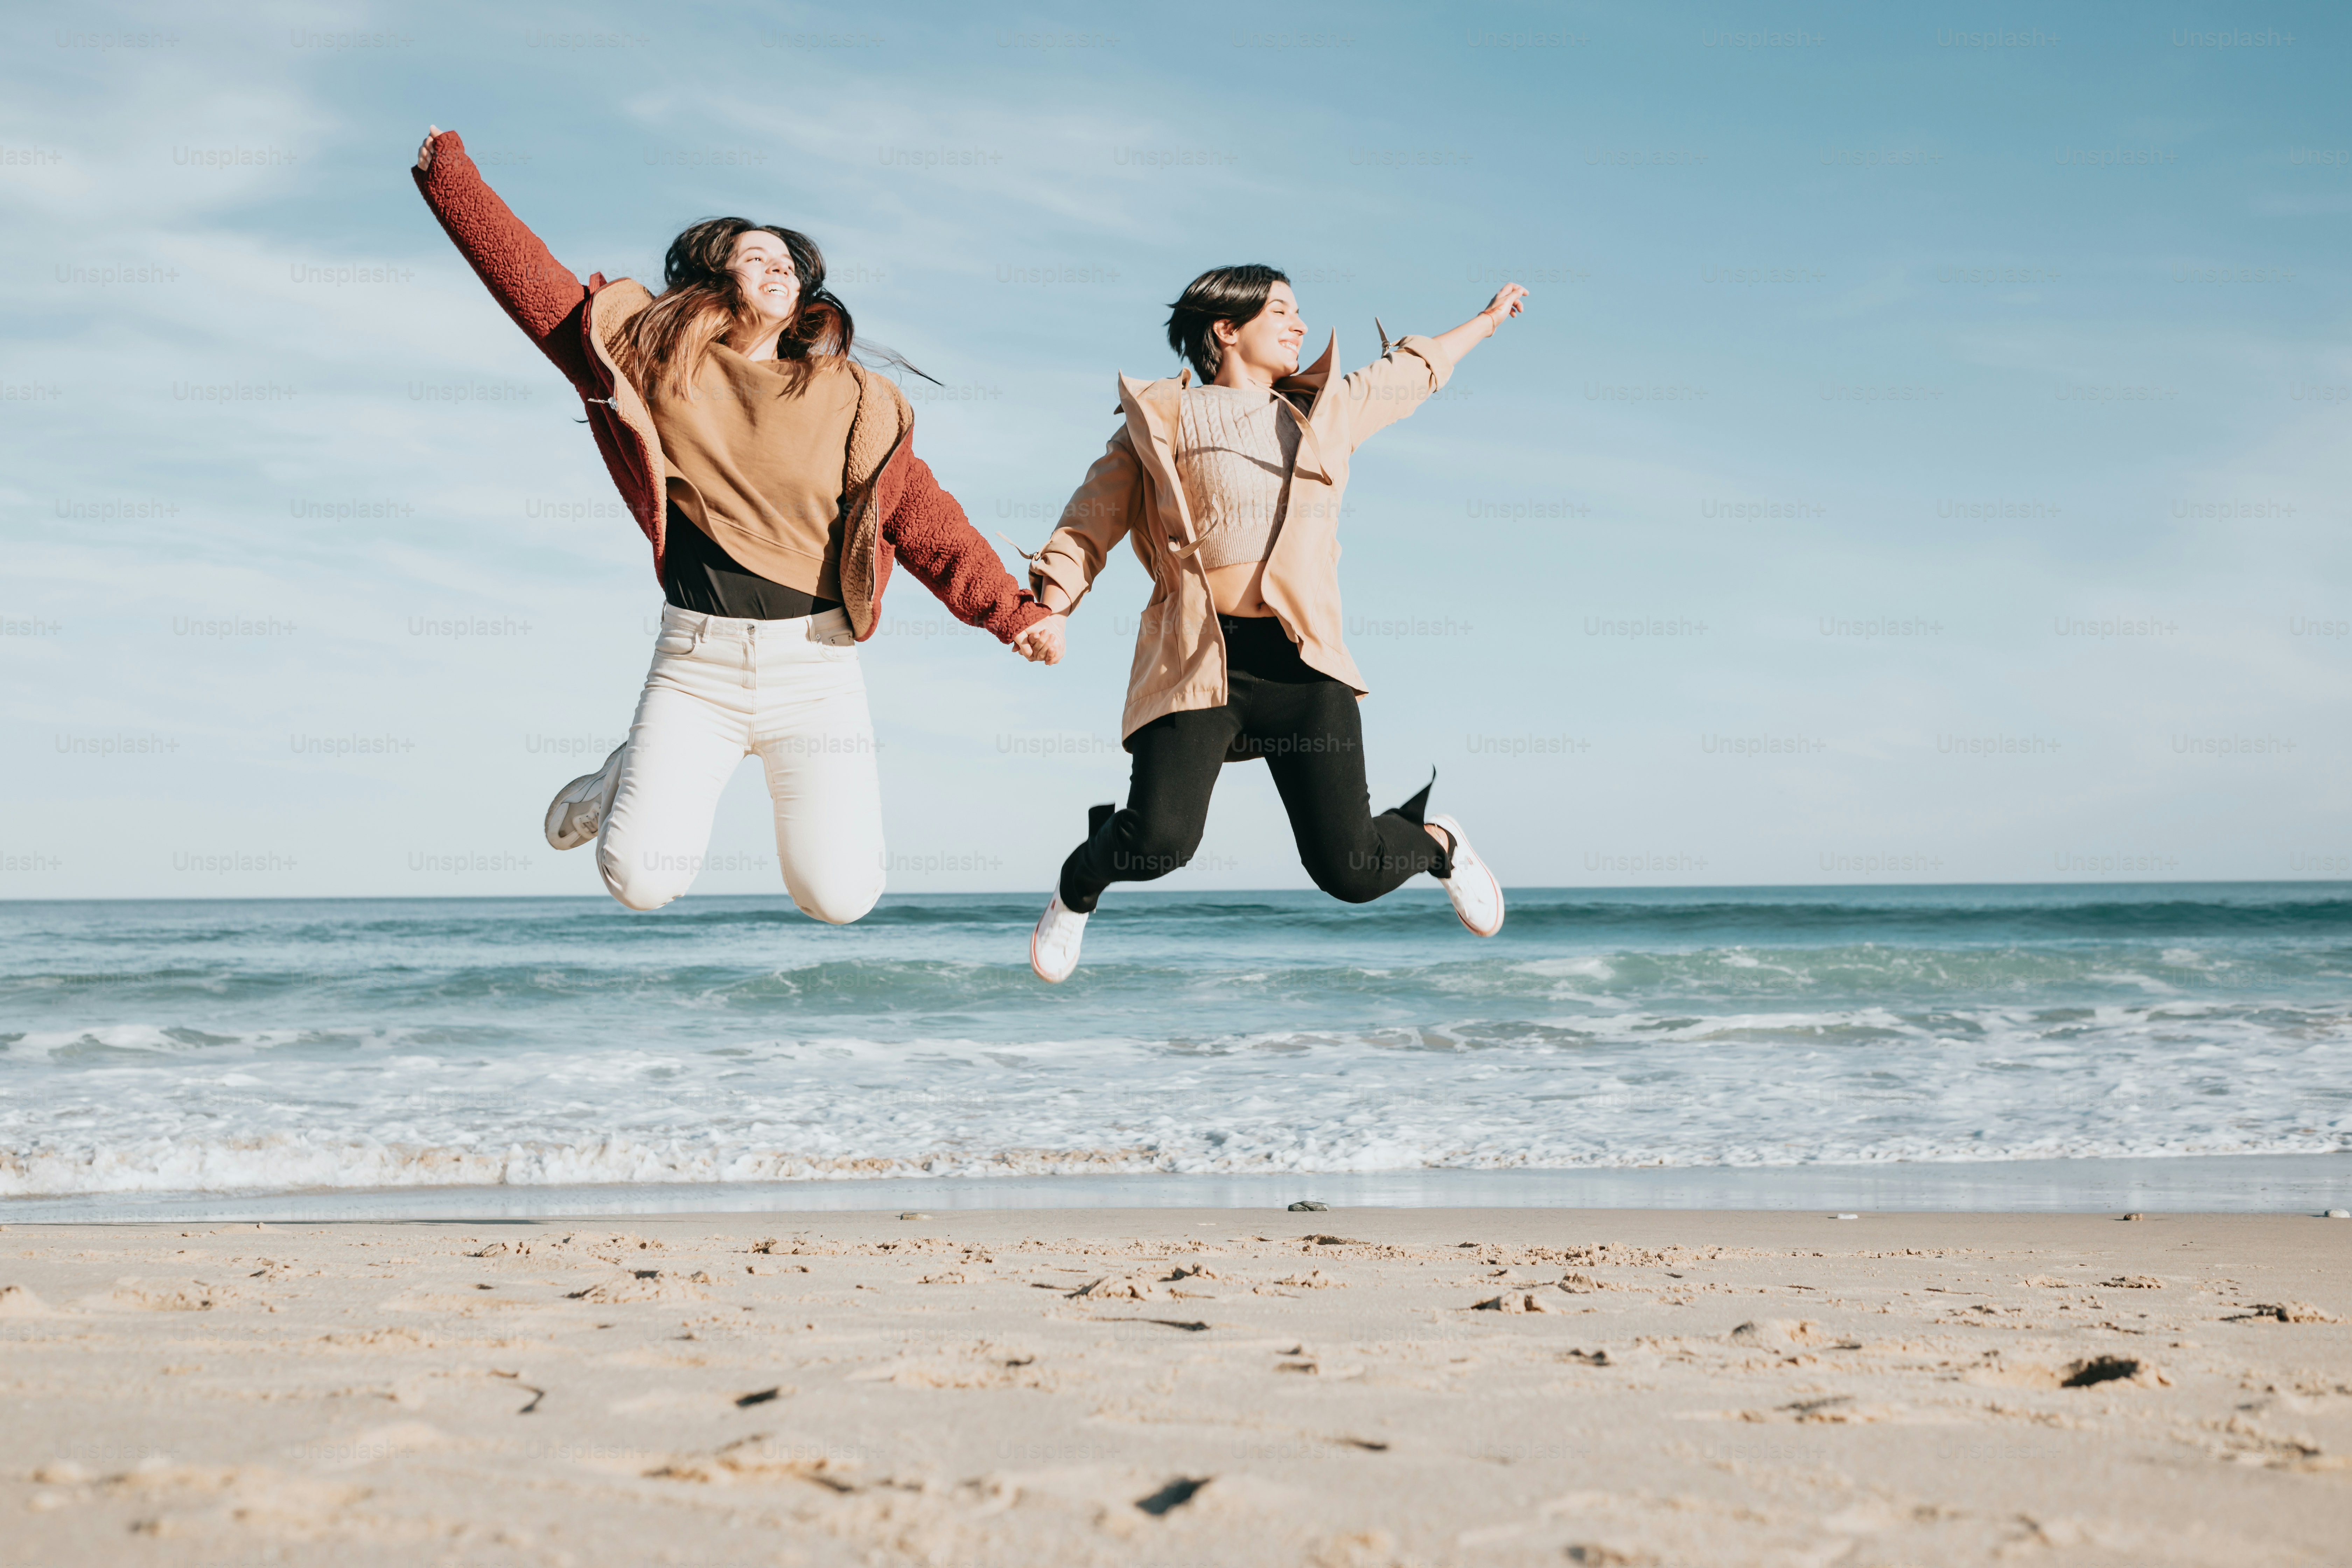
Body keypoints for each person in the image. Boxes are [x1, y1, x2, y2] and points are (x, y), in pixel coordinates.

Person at [410, 126, 1062, 923]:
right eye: (757, 257)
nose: (779, 266)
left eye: (789, 261)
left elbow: (925, 518)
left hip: (817, 672)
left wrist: (1014, 613)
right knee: (640, 881)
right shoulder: (650, 363)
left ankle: (634, 768)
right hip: (697, 667)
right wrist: (451, 179)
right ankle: (625, 774)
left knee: (841, 898)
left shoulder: (853, 398)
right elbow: (533, 287)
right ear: (715, 277)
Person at [1017, 267, 1525, 981]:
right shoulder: (1159, 422)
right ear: (1226, 329)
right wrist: (1052, 609)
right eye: (1281, 311)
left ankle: (1439, 843)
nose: (1300, 325)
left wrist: (1487, 320)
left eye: (1299, 311)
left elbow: (1413, 372)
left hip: (1301, 663)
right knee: (1157, 842)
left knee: (1352, 870)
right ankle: (1077, 889)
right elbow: (1087, 524)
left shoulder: (1325, 411)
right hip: (1200, 658)